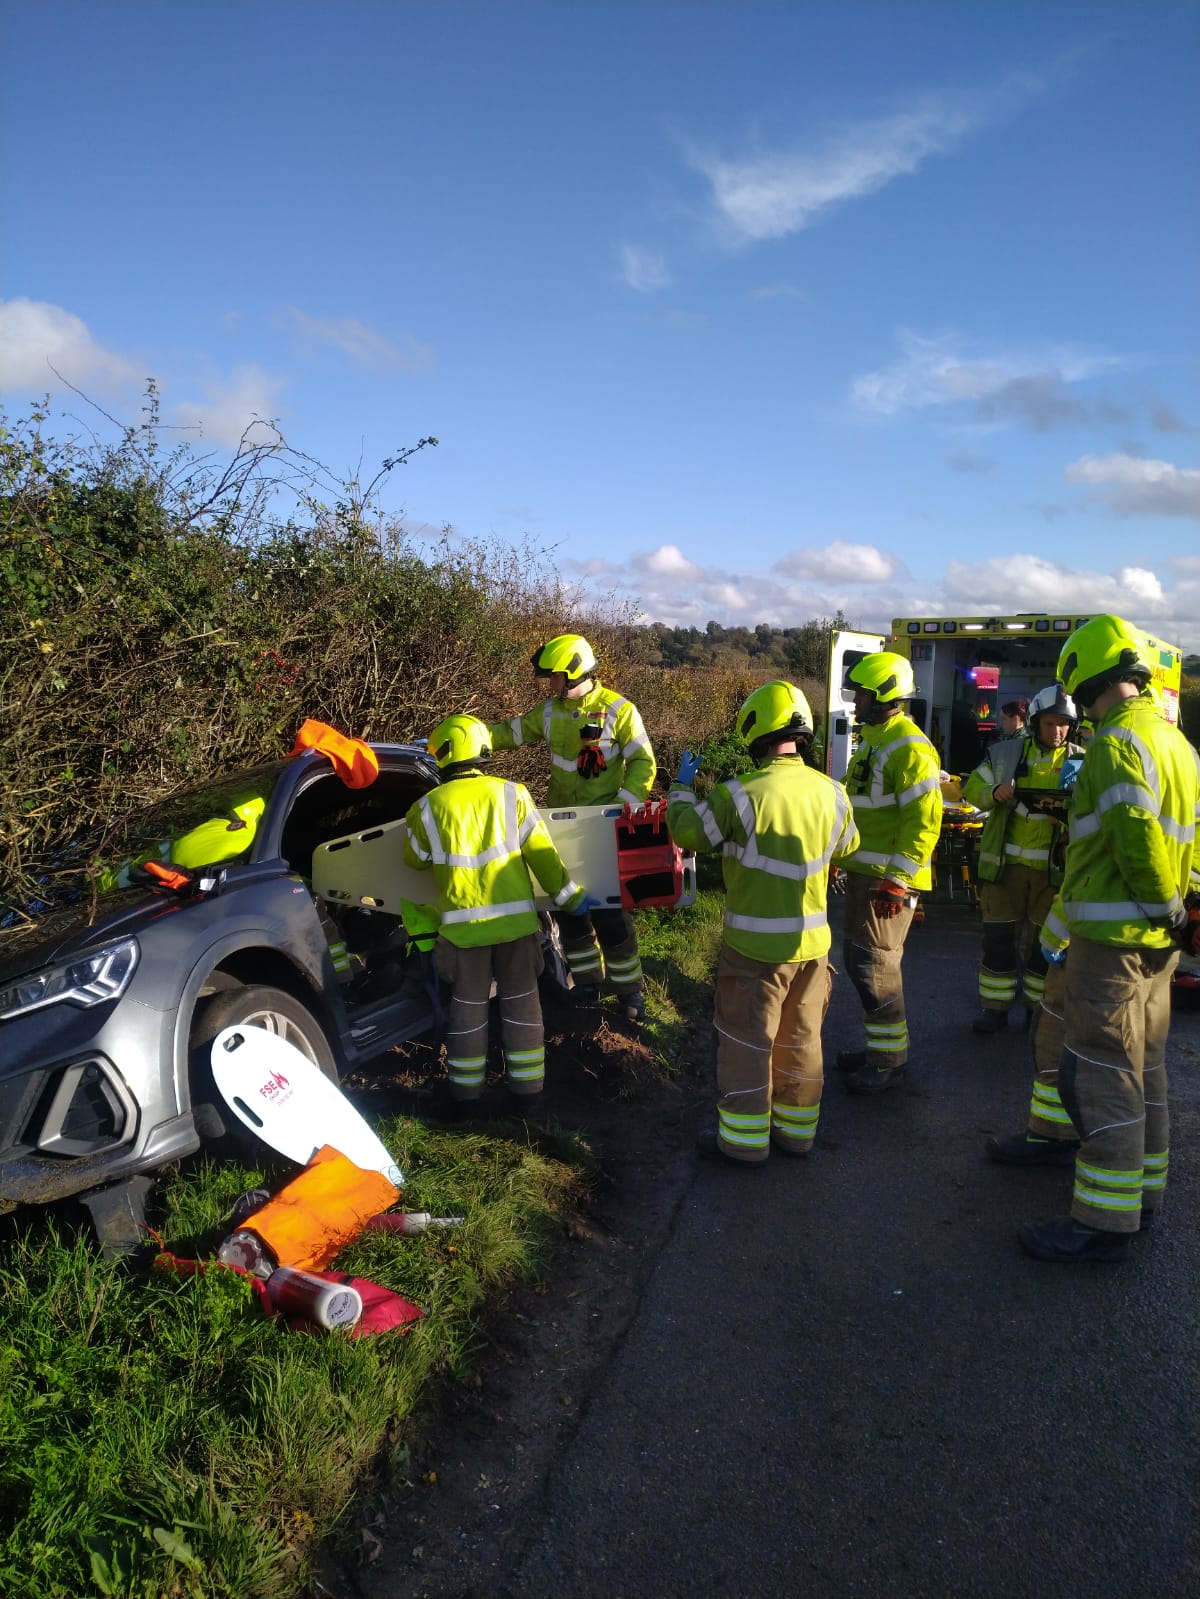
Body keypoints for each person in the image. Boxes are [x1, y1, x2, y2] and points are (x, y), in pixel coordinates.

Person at [1017, 616, 1200, 1263]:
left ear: (1083, 677)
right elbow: (1189, 843)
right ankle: (1142, 1199)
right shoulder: (1176, 743)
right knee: (1144, 1068)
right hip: (1156, 943)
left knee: (1101, 1070)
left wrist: (1168, 906)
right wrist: (1183, 913)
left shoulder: (1117, 743)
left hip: (1115, 940)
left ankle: (1102, 1221)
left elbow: (1136, 840)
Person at [666, 682, 858, 1165]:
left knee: (746, 1042)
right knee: (801, 1039)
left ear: (755, 729)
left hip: (753, 949)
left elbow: (688, 832)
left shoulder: (739, 794)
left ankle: (744, 1144)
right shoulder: (833, 792)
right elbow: (849, 847)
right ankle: (796, 1135)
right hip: (813, 947)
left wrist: (681, 789)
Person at [403, 714, 596, 1104]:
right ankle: (527, 1092)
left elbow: (416, 859)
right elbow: (543, 856)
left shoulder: (426, 807)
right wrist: (571, 898)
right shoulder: (513, 795)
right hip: (516, 928)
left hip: (463, 933)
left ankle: (465, 1092)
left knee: (468, 1011)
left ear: (444, 753)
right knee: (523, 1005)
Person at [487, 632, 656, 1022]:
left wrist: (623, 806)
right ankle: (589, 986)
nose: (550, 684)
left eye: (554, 676)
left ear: (573, 672)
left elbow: (643, 763)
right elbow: (511, 732)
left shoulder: (619, 710)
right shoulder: (549, 711)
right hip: (561, 829)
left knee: (612, 915)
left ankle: (630, 994)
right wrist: (470, 738)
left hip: (602, 829)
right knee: (570, 914)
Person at [836, 651, 943, 1093]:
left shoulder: (910, 747)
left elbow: (924, 821)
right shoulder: (878, 739)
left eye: (860, 693)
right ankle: (879, 1049)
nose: (854, 701)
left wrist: (897, 881)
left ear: (882, 695)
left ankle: (888, 1064)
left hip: (886, 881)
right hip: (867, 875)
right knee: (861, 962)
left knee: (877, 967)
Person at [962, 684, 1085, 1034]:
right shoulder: (1005, 754)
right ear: (1035, 722)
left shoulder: (1081, 761)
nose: (1058, 731)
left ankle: (1038, 1011)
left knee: (1041, 950)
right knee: (998, 943)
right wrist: (993, 793)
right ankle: (994, 1010)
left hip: (1053, 876)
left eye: (1064, 724)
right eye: (1050, 723)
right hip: (1006, 871)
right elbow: (974, 788)